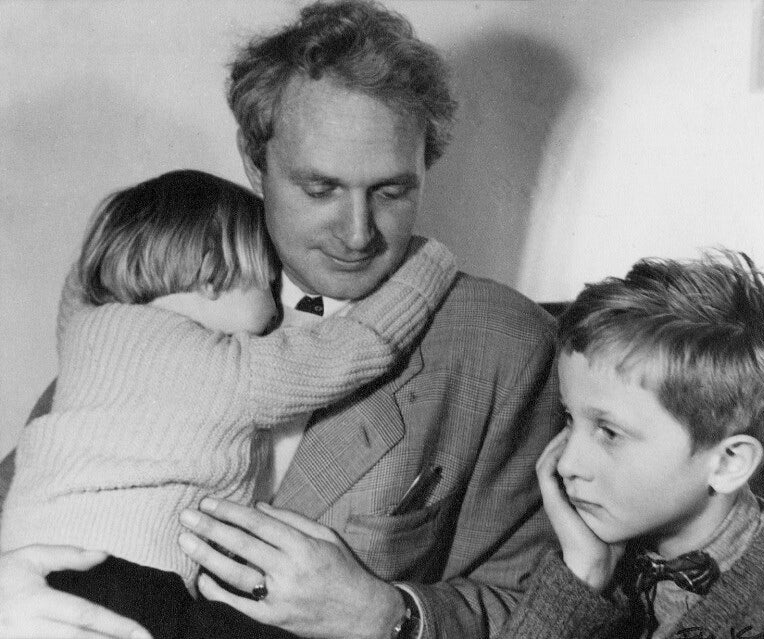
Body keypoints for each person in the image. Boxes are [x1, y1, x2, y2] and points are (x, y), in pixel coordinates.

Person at [0, 3, 563, 638]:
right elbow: (36, 487)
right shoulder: (173, 278)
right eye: (319, 189)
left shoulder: (503, 346)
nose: (357, 235)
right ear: (253, 159)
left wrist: (387, 615)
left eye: (392, 192)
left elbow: (555, 610)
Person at [0, 169, 457, 639]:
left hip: (27, 572)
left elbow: (78, 284)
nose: (277, 309)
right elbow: (359, 345)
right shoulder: (228, 368)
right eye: (267, 279)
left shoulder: (83, 331)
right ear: (213, 276)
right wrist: (431, 260)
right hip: (119, 580)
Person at [498, 250, 764, 639]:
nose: (566, 463)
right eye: (570, 419)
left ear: (728, 463)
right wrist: (580, 574)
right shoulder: (600, 535)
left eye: (609, 432)